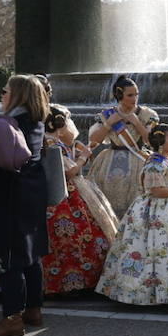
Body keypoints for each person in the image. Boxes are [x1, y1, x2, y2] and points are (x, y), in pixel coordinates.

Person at [0, 74, 52, 336]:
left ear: (16, 95)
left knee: (9, 257)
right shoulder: (36, 121)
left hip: (9, 194)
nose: (2, 95)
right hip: (32, 193)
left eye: (5, 91)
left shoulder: (11, 123)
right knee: (31, 252)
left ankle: (12, 318)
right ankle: (33, 309)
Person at [97, 123, 168, 305]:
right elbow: (156, 190)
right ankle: (148, 291)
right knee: (154, 248)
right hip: (156, 212)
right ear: (161, 142)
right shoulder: (154, 165)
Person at [41, 106, 119, 295]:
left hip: (64, 191)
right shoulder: (52, 143)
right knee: (73, 233)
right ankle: (75, 280)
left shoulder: (50, 140)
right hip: (64, 192)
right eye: (67, 121)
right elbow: (69, 172)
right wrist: (83, 157)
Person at [87, 75, 157, 218]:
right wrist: (107, 124)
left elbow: (151, 142)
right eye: (130, 95)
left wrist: (137, 123)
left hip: (138, 157)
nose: (135, 98)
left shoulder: (147, 114)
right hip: (110, 160)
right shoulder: (107, 115)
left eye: (136, 94)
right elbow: (94, 141)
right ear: (119, 95)